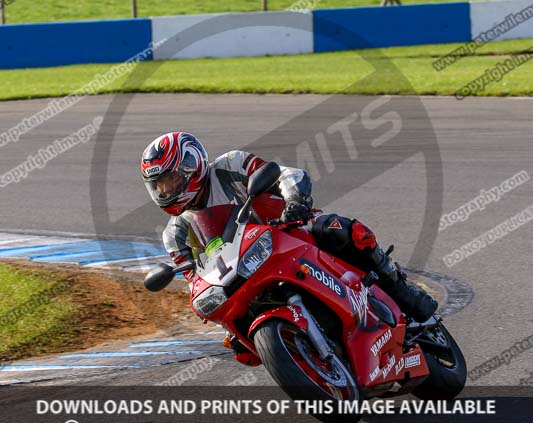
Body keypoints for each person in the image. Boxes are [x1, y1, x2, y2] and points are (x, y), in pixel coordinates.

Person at [141, 131, 437, 360]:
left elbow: (285, 174)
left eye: (171, 179)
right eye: (159, 185)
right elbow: (195, 280)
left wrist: (295, 201)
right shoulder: (175, 234)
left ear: (192, 164)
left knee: (343, 231)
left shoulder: (229, 165)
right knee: (240, 345)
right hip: (243, 274)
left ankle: (401, 290)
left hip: (290, 231)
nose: (166, 190)